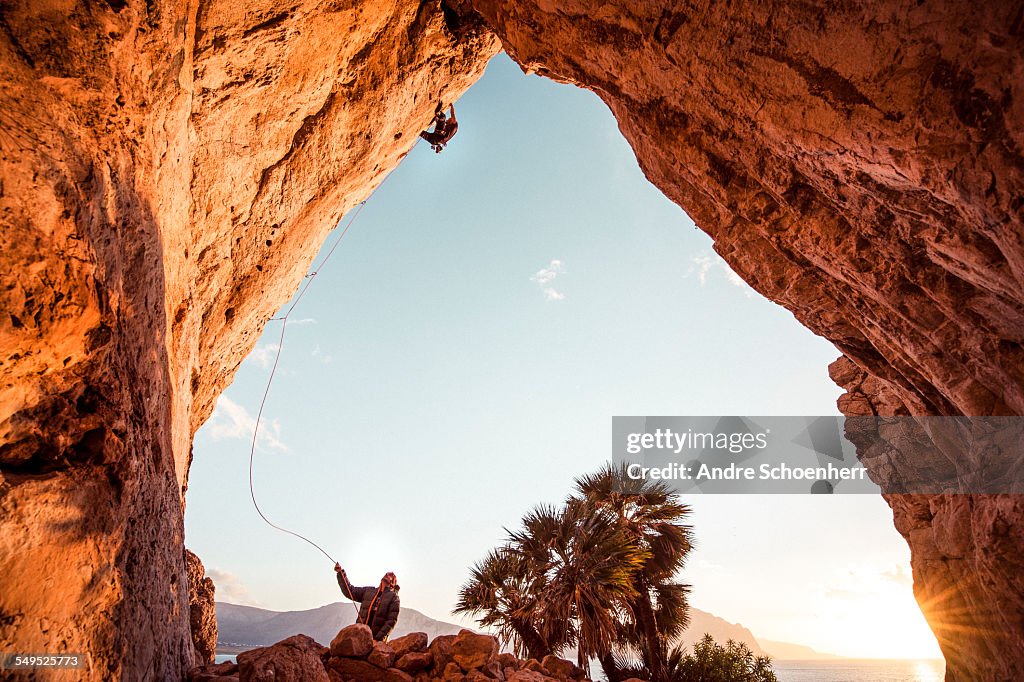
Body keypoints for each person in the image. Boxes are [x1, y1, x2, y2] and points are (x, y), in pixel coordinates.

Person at [334, 563, 401, 641]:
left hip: (376, 641)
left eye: (391, 575)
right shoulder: (369, 591)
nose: (387, 574)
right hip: (359, 637)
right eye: (386, 573)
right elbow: (350, 591)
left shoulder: (394, 598)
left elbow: (391, 621)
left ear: (393, 583)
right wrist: (341, 573)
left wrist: (378, 639)